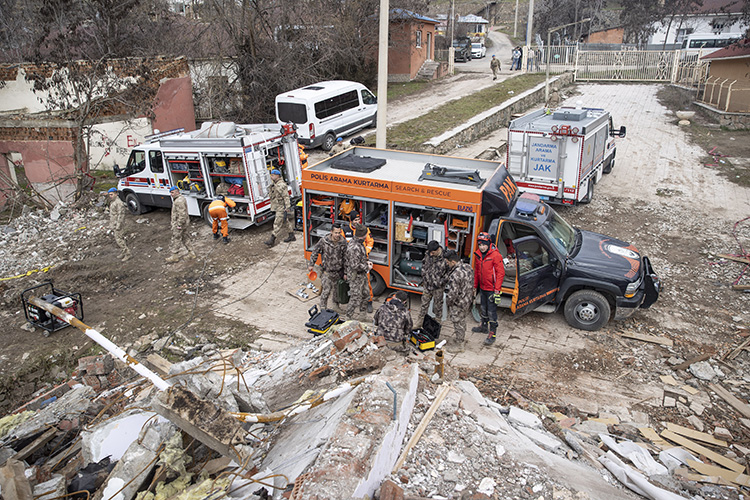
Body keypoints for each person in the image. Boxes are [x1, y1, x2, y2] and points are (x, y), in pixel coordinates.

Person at [473, 232, 505, 345]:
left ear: (488, 243)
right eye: (480, 245)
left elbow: (500, 273)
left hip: (492, 289)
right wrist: (475, 286)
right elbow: (477, 271)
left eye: (484, 245)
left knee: (491, 312)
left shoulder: (496, 255)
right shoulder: (478, 255)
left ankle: (493, 333)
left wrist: (497, 290)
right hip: (483, 288)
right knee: (483, 308)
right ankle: (483, 326)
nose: (482, 247)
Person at [308, 222, 347, 310]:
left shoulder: (343, 242)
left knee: (337, 292)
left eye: (339, 233)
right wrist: (311, 264)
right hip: (327, 271)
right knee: (326, 291)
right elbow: (315, 251)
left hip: (338, 272)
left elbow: (346, 258)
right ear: (331, 232)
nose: (337, 235)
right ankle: (323, 308)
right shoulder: (324, 241)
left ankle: (336, 306)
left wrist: (345, 272)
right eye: (336, 233)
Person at [444, 250, 474, 352]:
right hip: (467, 300)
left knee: (457, 321)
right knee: (462, 320)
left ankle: (460, 345)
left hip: (459, 303)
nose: (447, 264)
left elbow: (453, 293)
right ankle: (460, 338)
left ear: (452, 262)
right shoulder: (468, 267)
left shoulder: (455, 274)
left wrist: (448, 302)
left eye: (447, 262)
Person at [417, 240, 449, 328]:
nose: (431, 254)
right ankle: (419, 323)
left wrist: (441, 282)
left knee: (438, 307)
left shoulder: (445, 257)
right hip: (427, 285)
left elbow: (449, 273)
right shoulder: (428, 254)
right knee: (424, 305)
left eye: (433, 252)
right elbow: (424, 264)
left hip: (438, 287)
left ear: (438, 249)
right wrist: (424, 275)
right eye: (430, 252)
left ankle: (437, 325)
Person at [345, 224, 371, 320]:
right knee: (355, 298)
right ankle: (348, 317)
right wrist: (367, 266)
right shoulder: (354, 247)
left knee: (366, 295)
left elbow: (359, 259)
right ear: (363, 235)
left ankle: (362, 316)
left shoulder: (359, 243)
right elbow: (354, 265)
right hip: (355, 276)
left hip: (362, 275)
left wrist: (366, 262)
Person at [166, 186, 196, 263]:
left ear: (177, 192)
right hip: (184, 223)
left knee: (176, 238)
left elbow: (182, 214)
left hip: (180, 224)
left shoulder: (178, 201)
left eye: (172, 192)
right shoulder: (181, 199)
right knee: (185, 237)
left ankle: (174, 255)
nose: (171, 194)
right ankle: (191, 253)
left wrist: (179, 224)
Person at [265, 169, 295, 246]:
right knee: (285, 221)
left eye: (273, 175)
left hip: (281, 206)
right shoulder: (274, 184)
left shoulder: (281, 185)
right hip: (277, 206)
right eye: (271, 175)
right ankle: (291, 235)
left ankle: (272, 239)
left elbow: (286, 196)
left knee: (277, 223)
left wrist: (287, 206)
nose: (271, 177)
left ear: (277, 176)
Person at [107, 187, 131, 262]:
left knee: (119, 239)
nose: (110, 196)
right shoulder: (113, 202)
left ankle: (127, 253)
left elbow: (121, 215)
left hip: (118, 224)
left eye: (112, 194)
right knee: (120, 238)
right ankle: (123, 252)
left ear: (116, 194)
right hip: (114, 223)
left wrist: (118, 225)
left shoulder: (119, 203)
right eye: (109, 195)